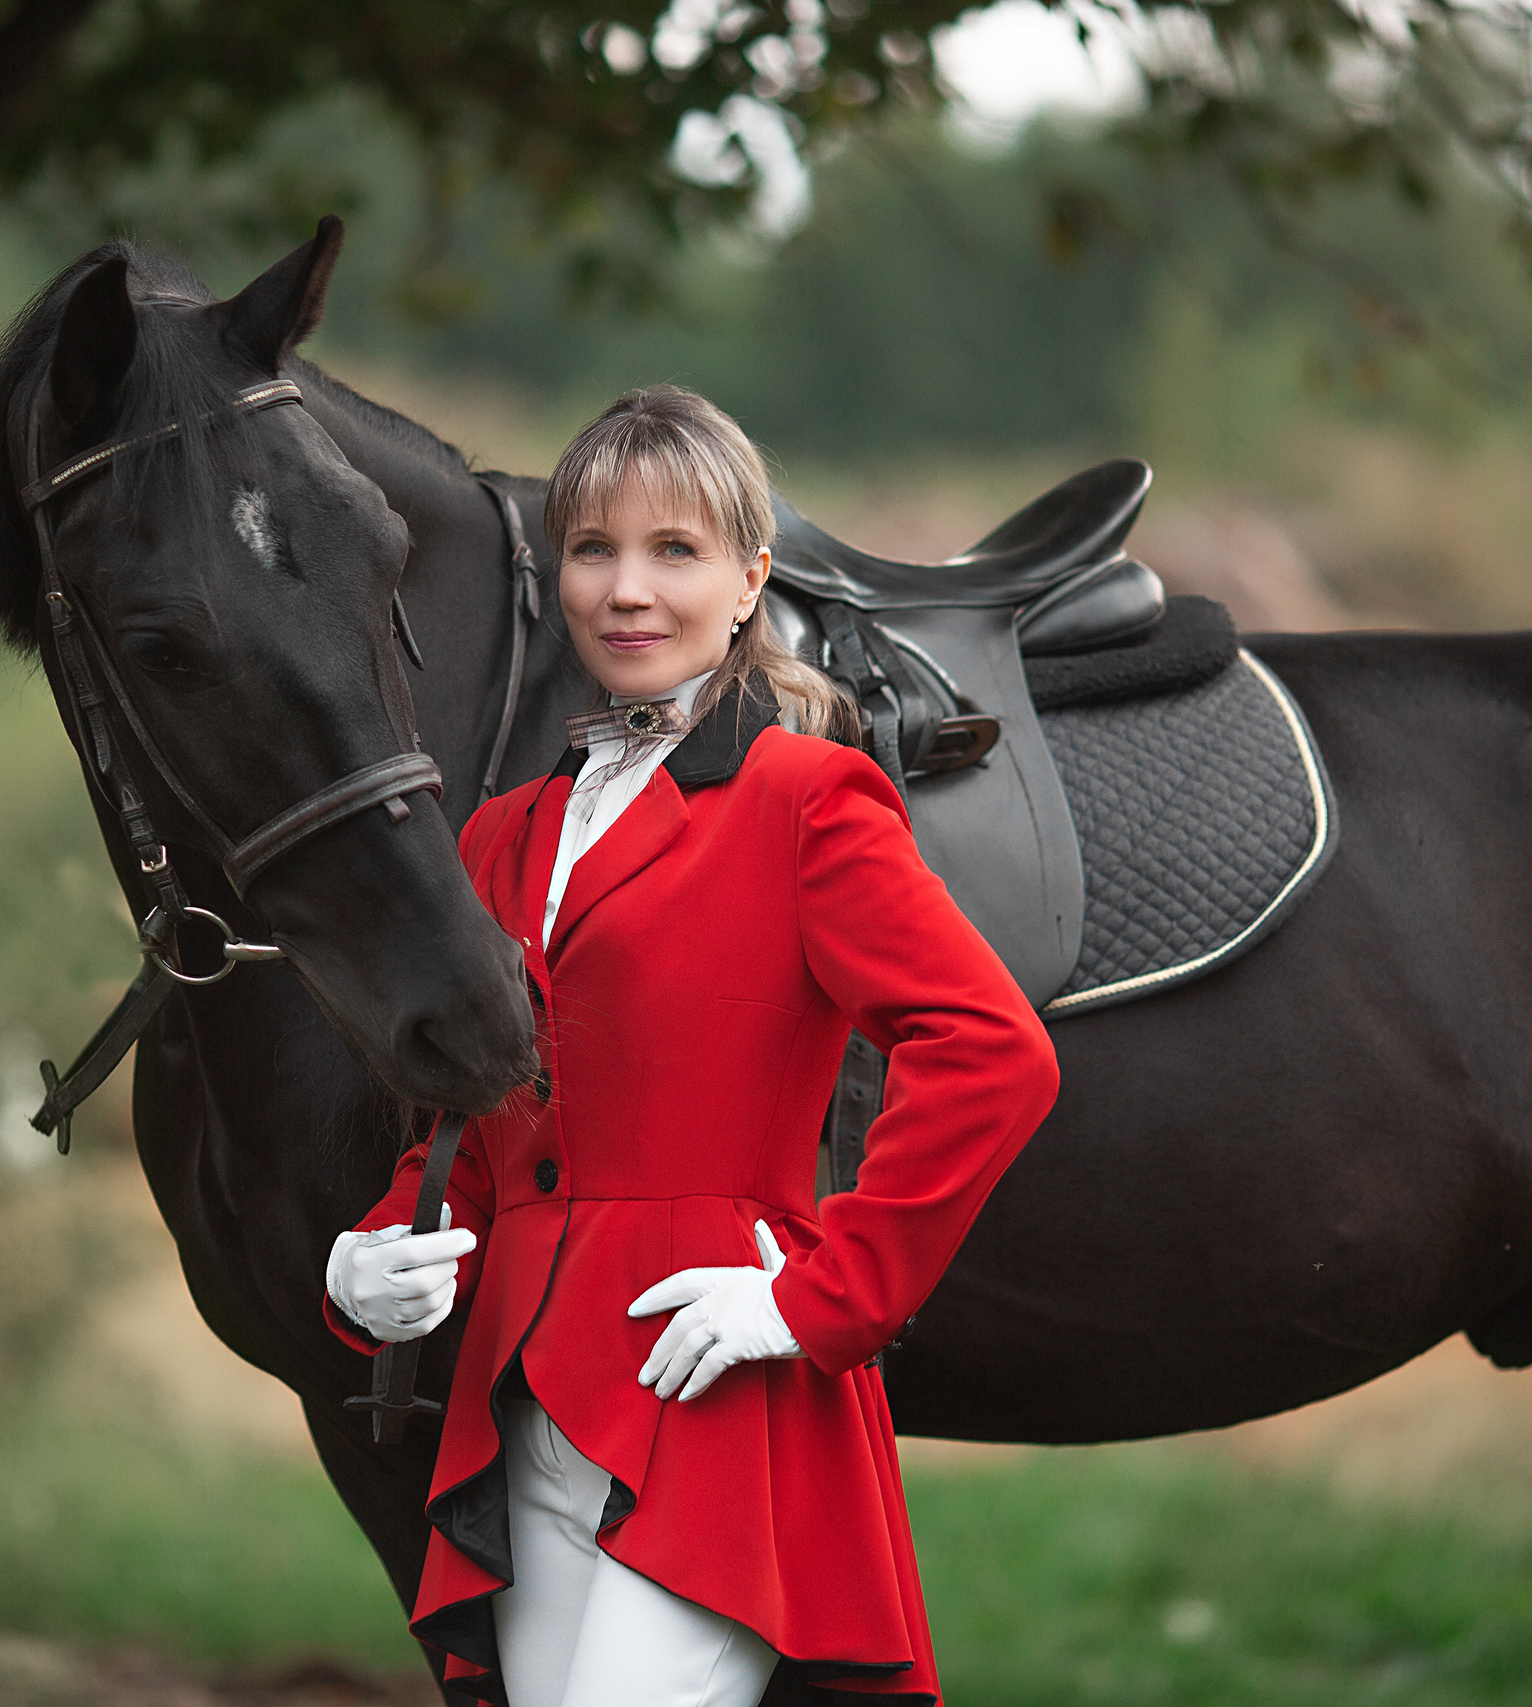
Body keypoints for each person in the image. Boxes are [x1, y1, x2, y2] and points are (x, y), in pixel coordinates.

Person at [322, 385, 1060, 1707]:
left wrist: (825, 1294)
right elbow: (486, 1137)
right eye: (593, 549)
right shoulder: (501, 835)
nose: (627, 588)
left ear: (749, 580)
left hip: (711, 1386)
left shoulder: (807, 799)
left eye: (676, 550)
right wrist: (374, 1257)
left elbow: (992, 1050)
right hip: (523, 1400)